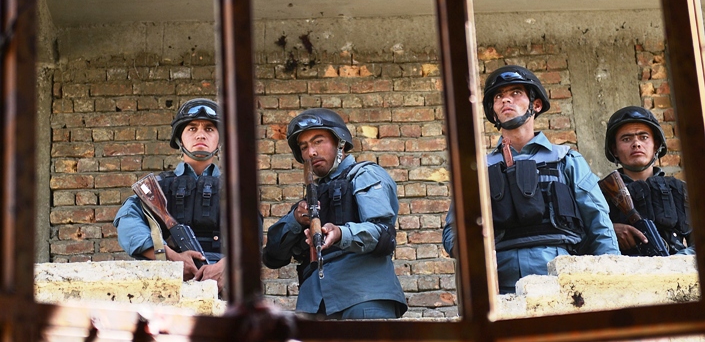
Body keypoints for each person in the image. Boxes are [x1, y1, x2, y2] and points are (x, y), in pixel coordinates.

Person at [443, 65, 619, 293]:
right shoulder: (478, 171)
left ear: (535, 105)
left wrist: (611, 282)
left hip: (562, 281)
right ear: (493, 111)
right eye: (498, 96)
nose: (506, 100)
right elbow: (453, 231)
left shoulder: (566, 159)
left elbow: (599, 223)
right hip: (499, 284)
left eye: (515, 93)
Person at [262, 108, 407, 319]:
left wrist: (340, 233)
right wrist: (295, 219)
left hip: (363, 299)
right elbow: (272, 256)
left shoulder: (364, 174)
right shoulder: (310, 198)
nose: (311, 152)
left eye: (318, 141)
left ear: (340, 143)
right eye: (304, 147)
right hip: (315, 308)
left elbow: (383, 234)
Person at [114, 98, 228, 291]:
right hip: (168, 284)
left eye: (209, 129)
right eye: (192, 128)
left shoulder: (236, 190)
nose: (201, 134)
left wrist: (227, 267)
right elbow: (127, 222)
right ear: (179, 139)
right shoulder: (158, 187)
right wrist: (168, 256)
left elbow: (253, 238)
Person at [603, 106, 693, 255]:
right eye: (626, 139)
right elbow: (583, 240)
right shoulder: (599, 194)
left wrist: (675, 261)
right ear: (614, 149)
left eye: (643, 137)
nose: (636, 144)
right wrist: (609, 231)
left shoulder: (681, 190)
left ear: (656, 145)